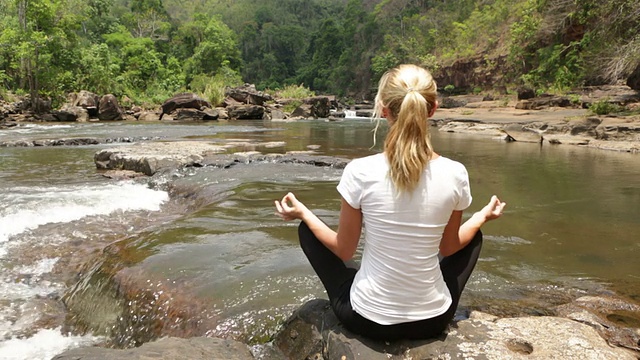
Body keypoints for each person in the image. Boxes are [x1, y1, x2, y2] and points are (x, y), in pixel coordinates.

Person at [274, 64, 506, 341]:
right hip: (433, 321)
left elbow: (344, 250)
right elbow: (449, 247)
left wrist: (303, 213)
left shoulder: (360, 171)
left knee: (307, 230)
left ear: (384, 109)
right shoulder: (455, 173)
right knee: (473, 235)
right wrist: (481, 216)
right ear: (432, 109)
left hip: (367, 321)